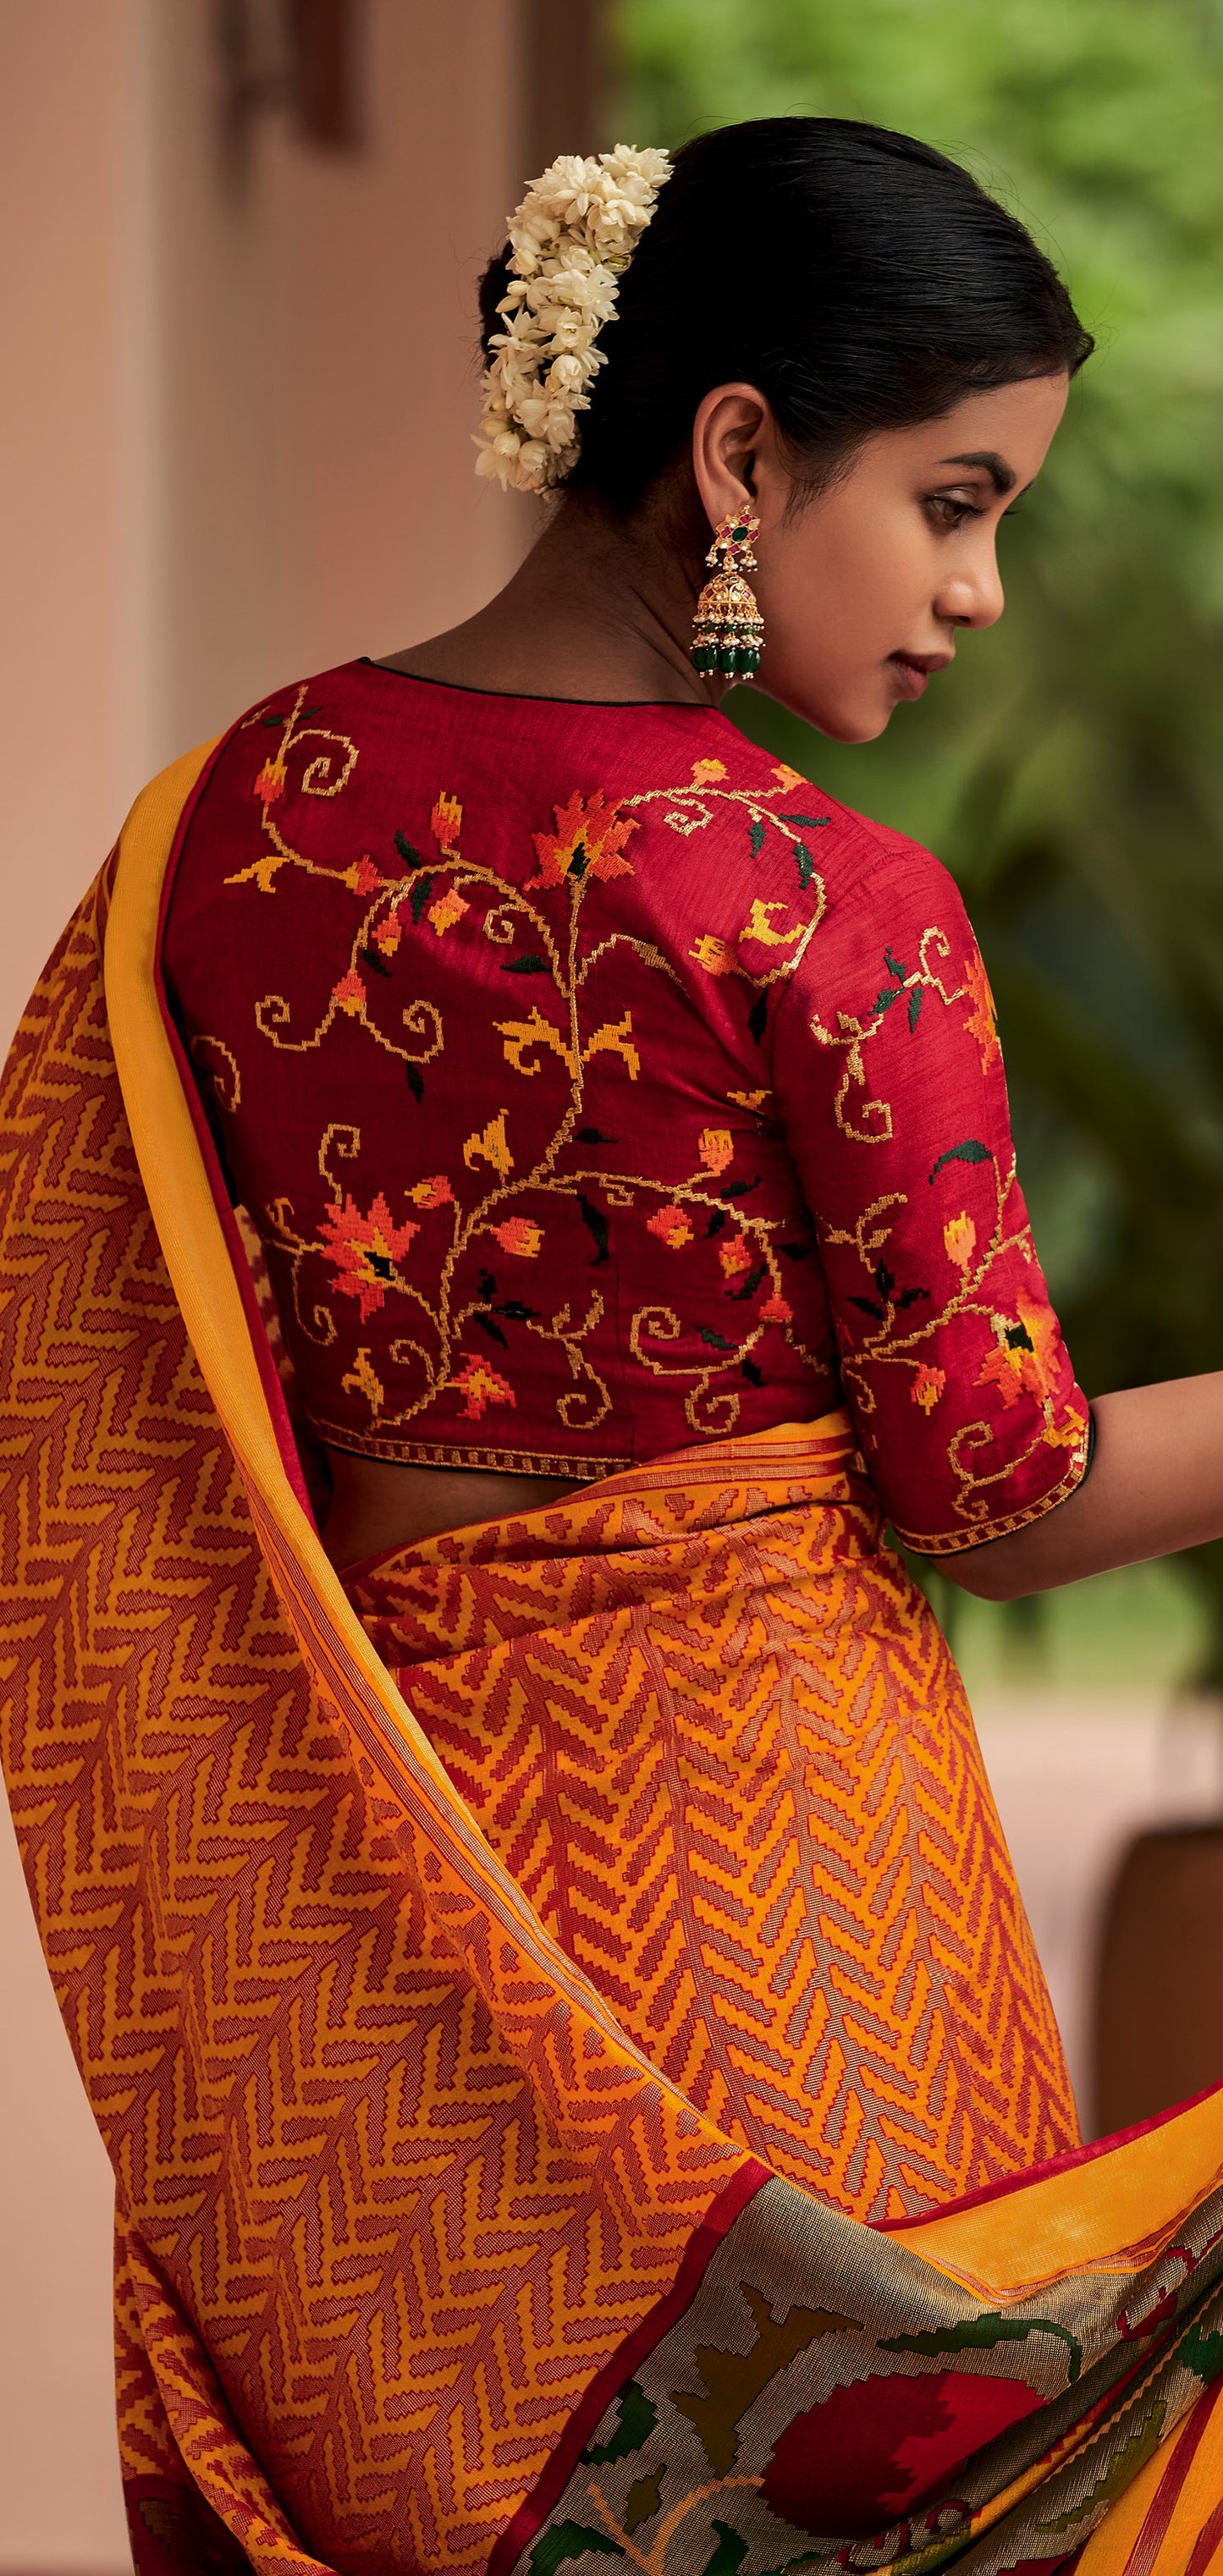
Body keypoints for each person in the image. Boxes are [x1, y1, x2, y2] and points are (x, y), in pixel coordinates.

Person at [3, 116, 1222, 2576]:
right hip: (792, 1912)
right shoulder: (824, 902)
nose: (983, 589)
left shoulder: (224, 826)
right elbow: (1005, 1499)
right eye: (960, 498)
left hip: (370, 1941)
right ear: (745, 453)